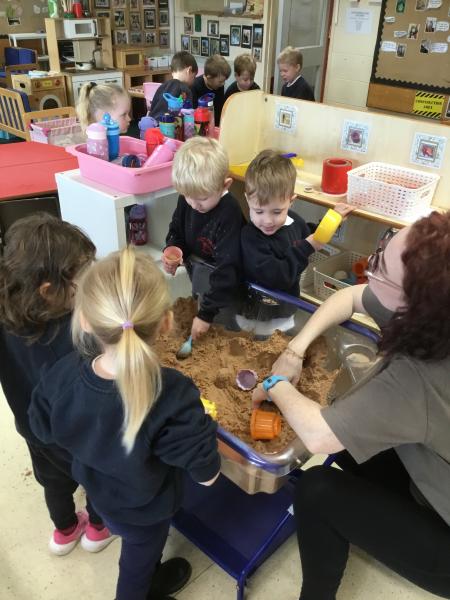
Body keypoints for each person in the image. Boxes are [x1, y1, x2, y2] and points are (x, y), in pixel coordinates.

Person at [253, 212, 450, 600]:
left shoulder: (419, 375)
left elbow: (319, 436)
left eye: (381, 268)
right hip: (431, 466)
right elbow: (350, 297)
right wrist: (295, 350)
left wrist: (275, 385)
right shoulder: (434, 311)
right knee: (348, 431)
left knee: (316, 490)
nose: (371, 269)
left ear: (410, 306)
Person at [29, 248, 221, 600]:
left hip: (100, 495)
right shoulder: (173, 395)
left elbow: (41, 430)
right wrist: (203, 425)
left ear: (85, 320)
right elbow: (206, 475)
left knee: (138, 552)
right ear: (166, 323)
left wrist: (91, 445)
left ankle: (149, 576)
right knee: (137, 563)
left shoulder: (62, 375)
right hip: (146, 511)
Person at [0, 214, 117, 555]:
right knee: (95, 477)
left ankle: (64, 530)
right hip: (75, 434)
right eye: (83, 277)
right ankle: (98, 528)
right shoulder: (71, 335)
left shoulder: (7, 310)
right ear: (49, 291)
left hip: (32, 428)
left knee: (53, 481)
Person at [238, 150, 353, 336]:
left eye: (277, 212)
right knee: (258, 343)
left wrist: (332, 221)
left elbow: (309, 233)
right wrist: (308, 247)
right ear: (247, 200)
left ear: (291, 202)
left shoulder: (294, 221)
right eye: (258, 211)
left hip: (286, 307)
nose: (267, 221)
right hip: (257, 314)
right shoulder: (250, 237)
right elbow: (278, 276)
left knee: (283, 337)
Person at [162, 136, 243, 340]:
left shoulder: (229, 213)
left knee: (223, 327)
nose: (194, 205)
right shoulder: (189, 199)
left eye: (202, 198)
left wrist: (206, 315)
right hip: (200, 273)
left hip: (227, 287)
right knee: (200, 304)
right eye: (187, 196)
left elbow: (228, 269)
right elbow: (177, 230)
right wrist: (174, 249)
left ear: (225, 185)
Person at [149, 51, 198, 119]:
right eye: (194, 76)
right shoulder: (185, 90)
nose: (194, 80)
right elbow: (188, 115)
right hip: (171, 124)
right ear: (189, 71)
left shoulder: (162, 86)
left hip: (153, 123)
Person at [192, 54, 231, 125]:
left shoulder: (219, 86)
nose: (223, 84)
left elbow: (219, 110)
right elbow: (194, 113)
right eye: (220, 81)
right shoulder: (195, 86)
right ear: (209, 77)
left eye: (224, 81)